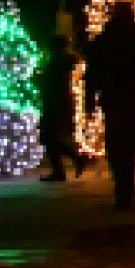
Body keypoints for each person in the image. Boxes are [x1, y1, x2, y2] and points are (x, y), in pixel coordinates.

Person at [84, 1, 135, 210]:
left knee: (115, 140)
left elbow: (92, 73)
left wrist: (90, 100)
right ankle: (125, 188)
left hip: (112, 96)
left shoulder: (103, 40)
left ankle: (121, 185)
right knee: (131, 140)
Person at [36, 35, 87, 182]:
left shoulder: (57, 61)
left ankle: (72, 160)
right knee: (51, 136)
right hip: (63, 102)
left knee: (48, 136)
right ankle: (62, 168)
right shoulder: (71, 60)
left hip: (56, 102)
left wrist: (40, 80)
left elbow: (52, 82)